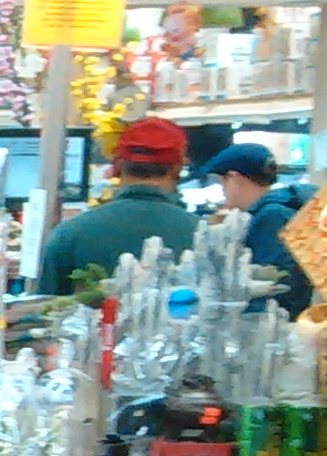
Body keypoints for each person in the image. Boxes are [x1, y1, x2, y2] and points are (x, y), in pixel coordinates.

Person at [37, 116, 198, 295]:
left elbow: (44, 311)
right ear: (177, 167)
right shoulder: (203, 236)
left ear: (117, 166)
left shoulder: (68, 235)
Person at [203, 142, 312, 313]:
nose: (223, 193)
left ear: (234, 178)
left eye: (221, 183)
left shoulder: (270, 217)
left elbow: (278, 286)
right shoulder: (282, 210)